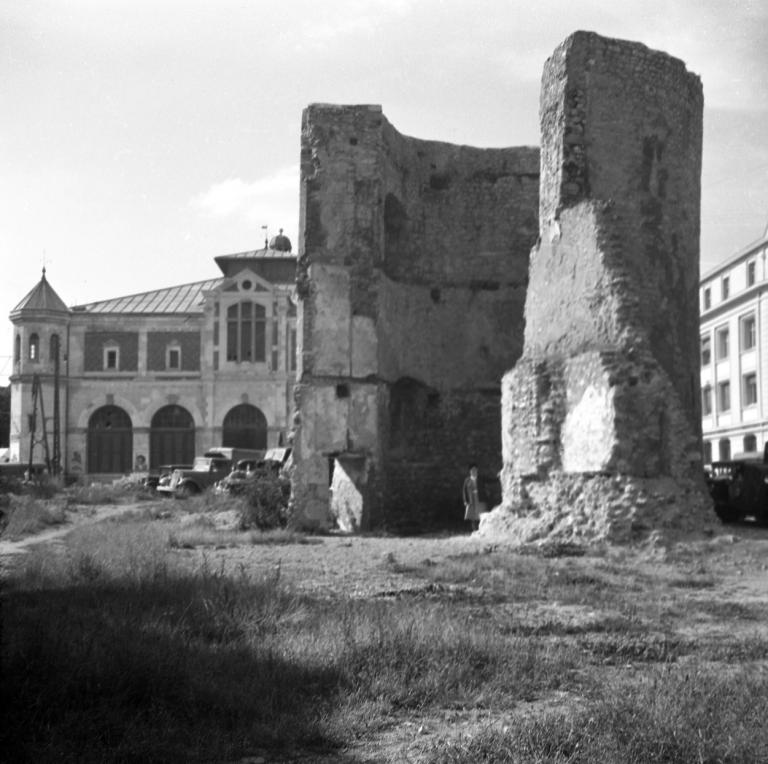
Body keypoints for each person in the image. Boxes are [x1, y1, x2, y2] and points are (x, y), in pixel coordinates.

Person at [463, 463, 486, 531]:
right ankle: (474, 529)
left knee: (481, 513)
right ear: (470, 471)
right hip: (471, 499)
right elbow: (464, 491)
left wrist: (499, 476)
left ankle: (481, 529)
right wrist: (465, 501)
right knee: (472, 515)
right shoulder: (467, 480)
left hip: (480, 498)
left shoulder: (481, 478)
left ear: (477, 470)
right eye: (472, 470)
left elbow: (490, 480)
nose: (474, 471)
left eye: (475, 470)